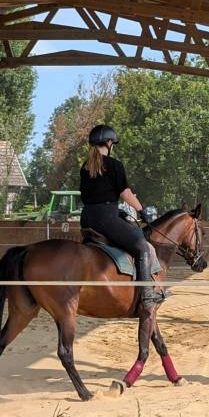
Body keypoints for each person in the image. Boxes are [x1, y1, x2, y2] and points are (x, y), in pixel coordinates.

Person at [80, 124, 163, 310]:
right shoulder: (114, 165)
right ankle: (147, 295)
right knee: (142, 246)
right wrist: (141, 210)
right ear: (109, 143)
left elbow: (88, 197)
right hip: (106, 219)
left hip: (87, 218)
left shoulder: (85, 166)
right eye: (112, 143)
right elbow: (125, 193)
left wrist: (117, 209)